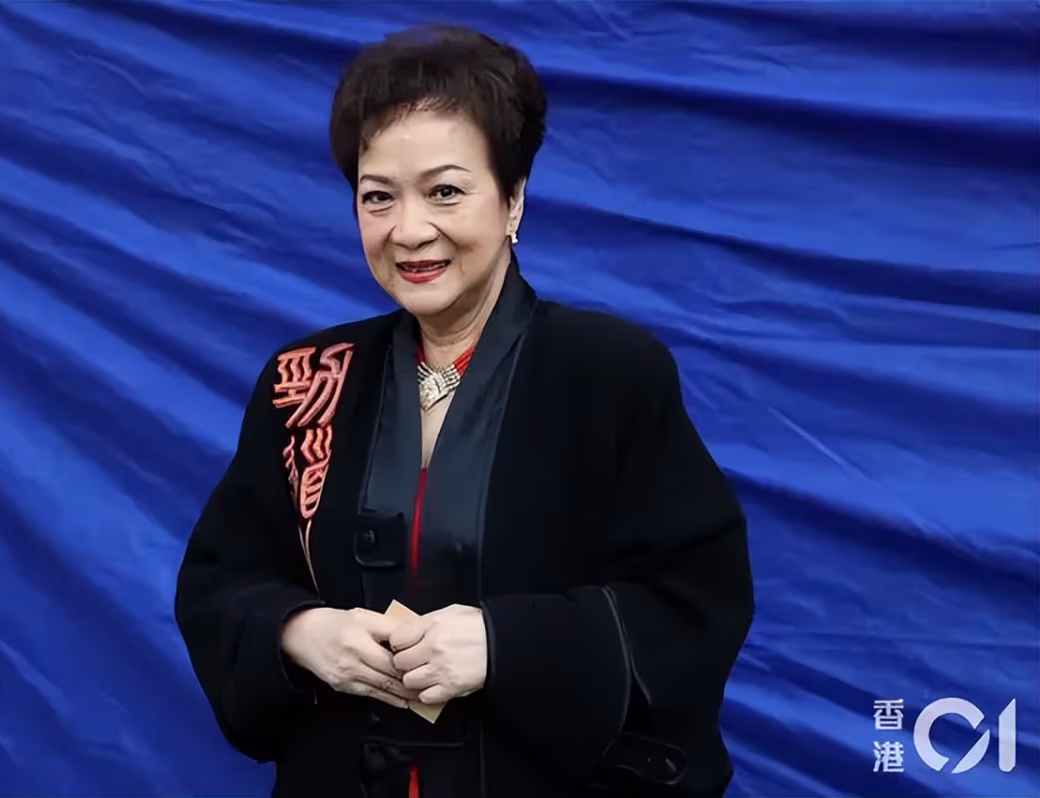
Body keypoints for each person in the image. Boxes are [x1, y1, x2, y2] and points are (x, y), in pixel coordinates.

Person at [175, 24, 754, 798]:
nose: (409, 230)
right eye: (378, 197)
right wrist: (300, 632)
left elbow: (694, 603)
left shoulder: (609, 372)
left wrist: (503, 644)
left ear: (514, 199)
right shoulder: (307, 380)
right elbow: (221, 581)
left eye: (445, 191)